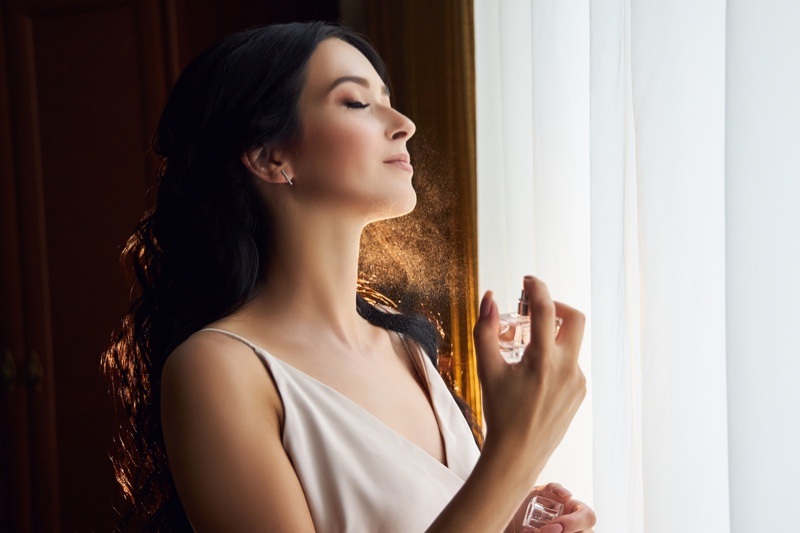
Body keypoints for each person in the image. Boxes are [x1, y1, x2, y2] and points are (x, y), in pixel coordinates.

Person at [103, 21, 596, 532]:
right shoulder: (217, 368)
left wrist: (514, 518)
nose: (403, 122)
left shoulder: (408, 351)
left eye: (388, 99)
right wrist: (514, 455)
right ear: (270, 156)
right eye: (357, 103)